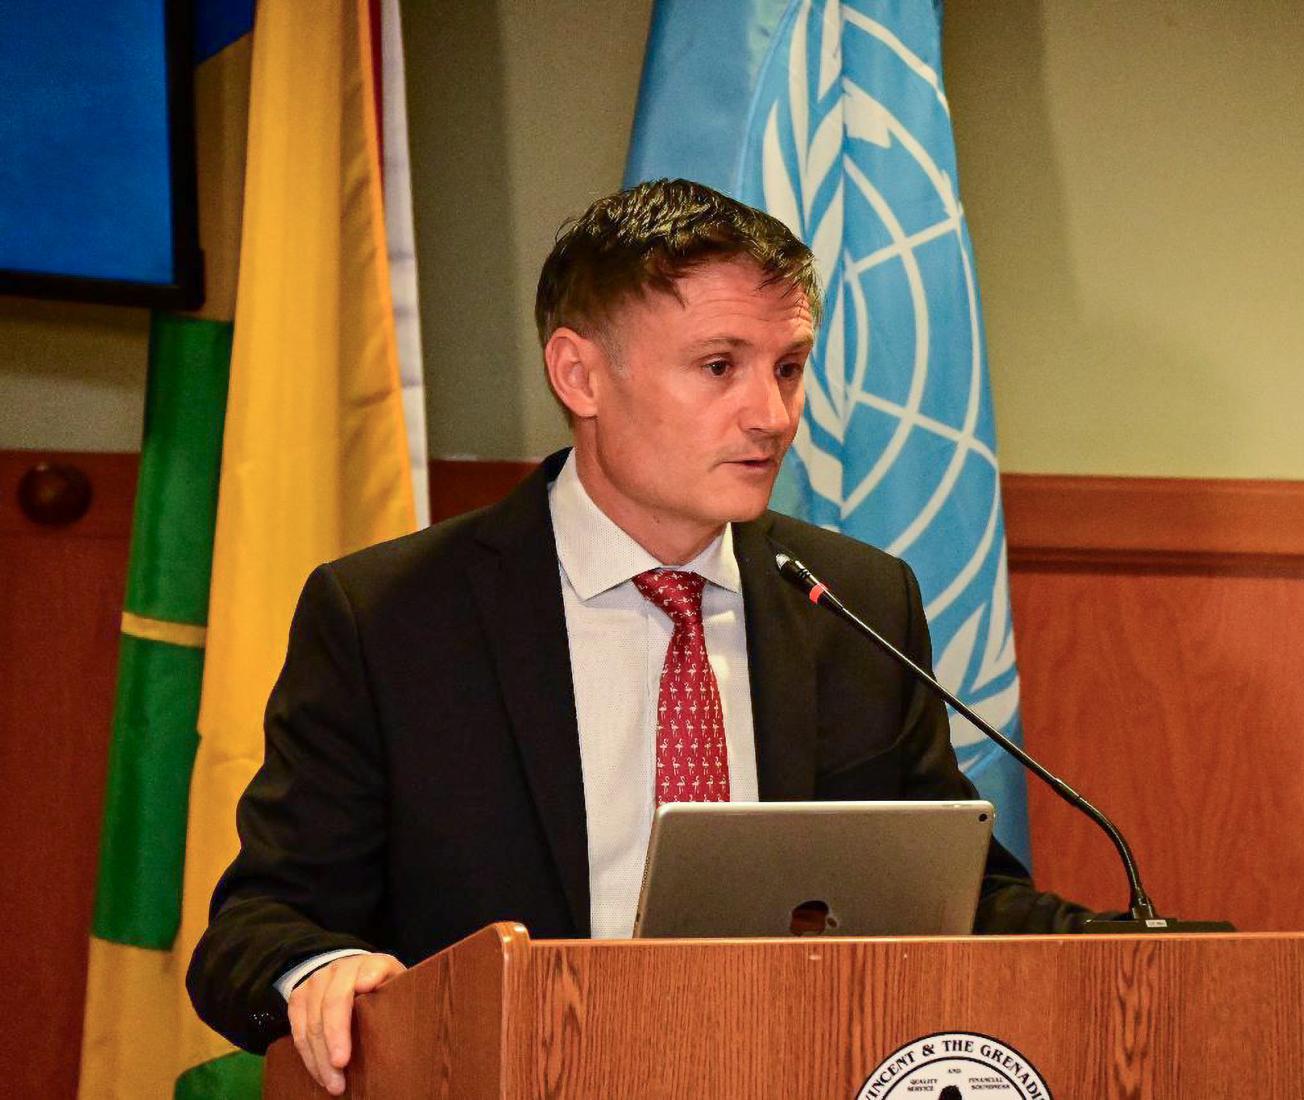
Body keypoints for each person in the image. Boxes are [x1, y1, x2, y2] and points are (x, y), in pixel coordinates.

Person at [187, 179, 1094, 1095]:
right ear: (579, 374)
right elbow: (256, 926)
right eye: (718, 367)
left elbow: (958, 898)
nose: (772, 417)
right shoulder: (391, 616)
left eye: (787, 367)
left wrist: (1145, 951)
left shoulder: (856, 602)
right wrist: (322, 973)